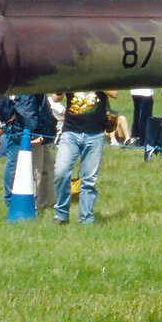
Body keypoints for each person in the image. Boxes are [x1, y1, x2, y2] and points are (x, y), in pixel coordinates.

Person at [53, 90, 112, 224]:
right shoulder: (74, 73)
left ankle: (86, 218)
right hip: (71, 132)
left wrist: (93, 78)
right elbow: (56, 98)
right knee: (61, 173)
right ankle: (61, 215)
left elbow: (114, 93)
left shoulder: (101, 74)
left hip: (95, 134)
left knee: (89, 179)